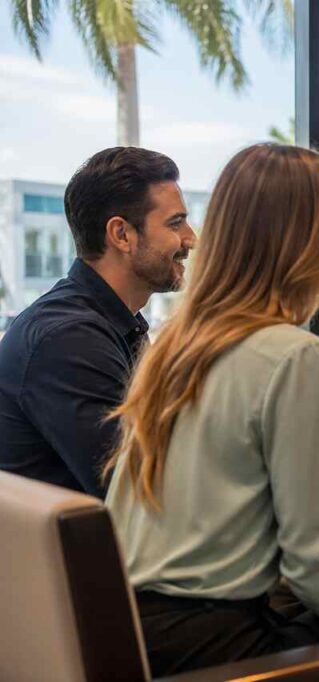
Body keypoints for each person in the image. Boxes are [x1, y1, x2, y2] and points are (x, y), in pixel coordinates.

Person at [103, 143, 319, 677]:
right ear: (310, 242)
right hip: (219, 650)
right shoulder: (298, 357)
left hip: (133, 634)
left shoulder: (175, 348)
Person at [0, 147, 195, 496]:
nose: (191, 238)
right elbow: (140, 490)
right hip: (85, 549)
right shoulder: (68, 339)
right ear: (121, 235)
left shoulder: (114, 324)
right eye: (175, 223)